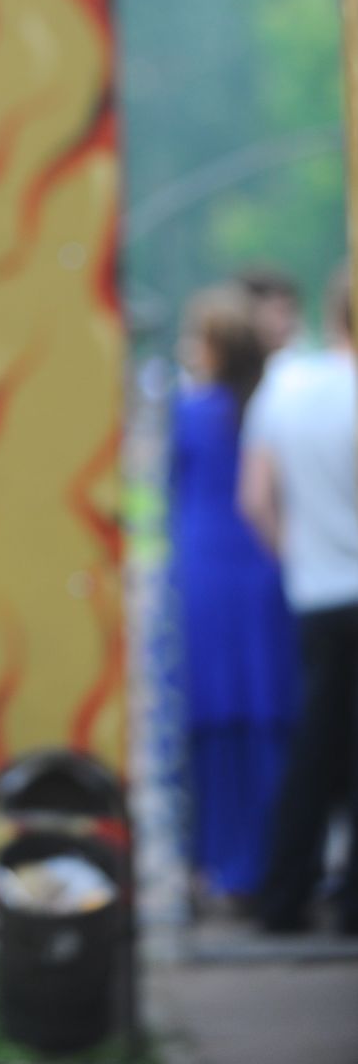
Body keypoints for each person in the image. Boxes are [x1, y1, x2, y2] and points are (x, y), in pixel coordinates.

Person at [169, 285, 298, 909]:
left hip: (205, 576)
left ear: (215, 346)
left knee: (213, 720)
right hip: (268, 573)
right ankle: (273, 859)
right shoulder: (269, 407)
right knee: (272, 714)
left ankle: (219, 860)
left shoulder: (191, 413)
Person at [239, 263, 358, 933]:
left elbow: (254, 498)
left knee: (312, 752)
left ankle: (284, 894)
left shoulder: (284, 388)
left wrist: (297, 557)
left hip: (314, 592)